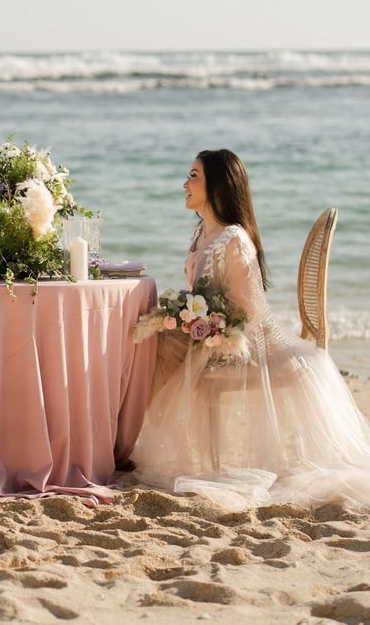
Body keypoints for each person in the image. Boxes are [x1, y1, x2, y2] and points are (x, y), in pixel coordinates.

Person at [130, 148, 370, 510]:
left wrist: (204, 323)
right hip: (210, 333)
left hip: (239, 339)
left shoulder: (234, 240)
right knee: (148, 342)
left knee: (154, 349)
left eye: (193, 176)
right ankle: (126, 443)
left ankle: (127, 446)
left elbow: (249, 311)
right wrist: (185, 316)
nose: (184, 183)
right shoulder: (202, 234)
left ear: (218, 185)